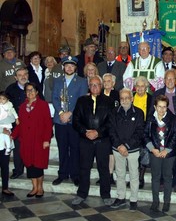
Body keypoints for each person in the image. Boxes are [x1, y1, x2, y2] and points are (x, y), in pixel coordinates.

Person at [71, 75, 114, 206]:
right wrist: (85, 132)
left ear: (101, 86)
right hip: (85, 140)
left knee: (104, 169)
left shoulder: (109, 101)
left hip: (102, 141)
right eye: (92, 85)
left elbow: (111, 122)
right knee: (84, 168)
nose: (94, 87)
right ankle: (82, 194)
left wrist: (98, 132)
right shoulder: (81, 100)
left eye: (97, 84)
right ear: (89, 87)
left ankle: (106, 194)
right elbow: (76, 121)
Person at [52, 56, 88, 186]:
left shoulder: (82, 81)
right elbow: (54, 98)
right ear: (63, 67)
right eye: (67, 65)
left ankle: (75, 174)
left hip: (74, 120)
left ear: (75, 68)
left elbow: (82, 100)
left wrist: (70, 113)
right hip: (60, 119)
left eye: (72, 66)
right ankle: (62, 174)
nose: (69, 68)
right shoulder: (57, 81)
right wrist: (61, 113)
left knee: (74, 147)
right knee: (62, 148)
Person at [12, 82, 53, 198]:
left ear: (37, 92)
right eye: (28, 90)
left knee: (38, 165)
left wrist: (46, 140)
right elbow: (19, 125)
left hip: (39, 140)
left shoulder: (43, 105)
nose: (30, 92)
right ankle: (34, 187)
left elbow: (48, 124)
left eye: (32, 90)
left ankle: (40, 188)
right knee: (29, 165)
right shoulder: (22, 107)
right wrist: (12, 136)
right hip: (26, 141)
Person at [152, 69, 176, 192]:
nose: (170, 81)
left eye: (172, 78)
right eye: (167, 78)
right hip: (160, 134)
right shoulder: (157, 94)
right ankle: (162, 182)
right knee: (162, 159)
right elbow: (151, 115)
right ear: (164, 80)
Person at [109, 88, 145, 211]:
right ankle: (121, 197)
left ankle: (133, 199)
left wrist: (127, 146)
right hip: (117, 149)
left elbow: (139, 132)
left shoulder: (139, 113)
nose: (124, 100)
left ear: (132, 99)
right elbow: (111, 130)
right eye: (122, 98)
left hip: (133, 150)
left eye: (127, 98)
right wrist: (119, 146)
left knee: (134, 175)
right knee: (120, 174)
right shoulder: (113, 112)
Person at [145, 94, 176, 213]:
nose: (162, 109)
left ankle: (166, 202)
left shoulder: (173, 119)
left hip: (168, 154)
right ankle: (155, 201)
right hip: (154, 152)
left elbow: (175, 136)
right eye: (159, 106)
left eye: (164, 107)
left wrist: (166, 150)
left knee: (167, 177)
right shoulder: (150, 119)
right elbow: (145, 135)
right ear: (155, 106)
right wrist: (153, 149)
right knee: (155, 177)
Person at [5, 67, 29, 179]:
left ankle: (31, 171)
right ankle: (18, 170)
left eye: (25, 74)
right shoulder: (10, 89)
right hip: (17, 124)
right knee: (18, 148)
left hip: (31, 124)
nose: (23, 77)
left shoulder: (33, 87)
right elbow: (5, 107)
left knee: (31, 148)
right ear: (16, 77)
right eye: (20, 75)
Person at [133, 76, 153, 188]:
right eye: (138, 86)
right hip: (132, 130)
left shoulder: (151, 98)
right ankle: (134, 178)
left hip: (145, 130)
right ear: (135, 87)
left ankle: (140, 178)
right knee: (134, 156)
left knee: (144, 155)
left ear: (146, 87)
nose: (140, 88)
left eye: (142, 86)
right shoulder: (131, 97)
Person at [0, 91, 18, 197]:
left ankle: (5, 187)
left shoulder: (9, 106)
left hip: (4, 141)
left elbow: (11, 118)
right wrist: (2, 129)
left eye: (3, 99)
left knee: (4, 165)